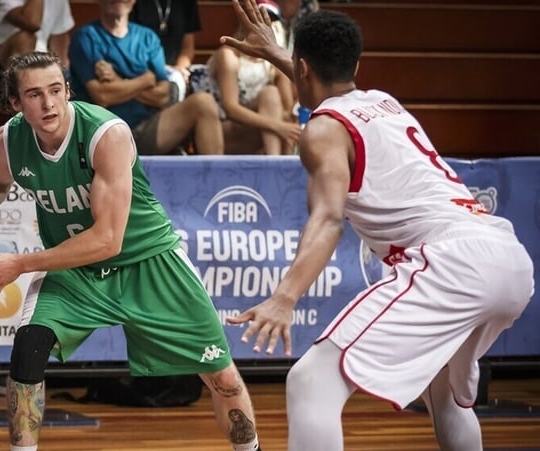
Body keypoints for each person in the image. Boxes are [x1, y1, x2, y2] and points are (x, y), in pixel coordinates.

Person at [221, 2, 534, 450]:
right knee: (445, 390)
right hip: (507, 259)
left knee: (311, 382)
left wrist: (283, 298)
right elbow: (323, 86)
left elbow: (329, 218)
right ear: (355, 66)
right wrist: (278, 54)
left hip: (451, 262)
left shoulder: (322, 129)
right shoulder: (384, 102)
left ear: (302, 66)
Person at [0, 51, 263, 451]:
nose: (48, 103)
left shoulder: (106, 134)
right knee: (29, 348)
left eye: (55, 90)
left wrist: (20, 264)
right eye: (34, 94)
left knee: (222, 378)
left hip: (148, 261)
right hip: (74, 269)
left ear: (68, 90)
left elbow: (107, 240)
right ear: (15, 103)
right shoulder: (10, 140)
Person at [68, 0, 224, 156]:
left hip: (146, 127)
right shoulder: (85, 37)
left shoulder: (148, 37)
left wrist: (118, 81)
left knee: (204, 102)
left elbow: (163, 97)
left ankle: (216, 172)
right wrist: (146, 80)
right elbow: (103, 96)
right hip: (104, 132)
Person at [191, 0, 301, 155]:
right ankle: (275, 162)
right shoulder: (228, 56)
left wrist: (289, 120)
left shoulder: (272, 63)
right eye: (257, 18)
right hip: (220, 128)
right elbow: (231, 109)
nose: (265, 26)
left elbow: (287, 109)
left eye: (270, 20)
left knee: (270, 94)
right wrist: (278, 126)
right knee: (277, 115)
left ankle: (276, 161)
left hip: (258, 129)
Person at [0, 0, 75, 104]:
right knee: (24, 38)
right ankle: (23, 104)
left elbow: (59, 49)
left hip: (39, 70)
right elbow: (32, 22)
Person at [129, 0, 200, 101]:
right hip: (142, 70)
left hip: (176, 70)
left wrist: (179, 69)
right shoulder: (133, 3)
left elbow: (187, 47)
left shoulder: (187, 2)